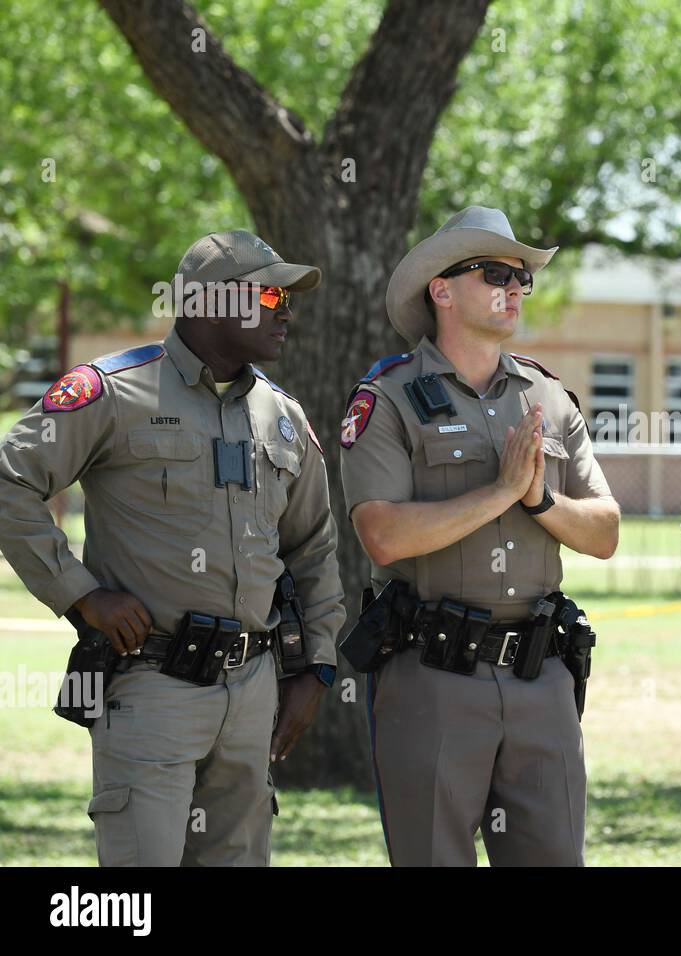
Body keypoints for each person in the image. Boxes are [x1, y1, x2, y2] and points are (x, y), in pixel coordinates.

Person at [0, 230, 345, 865]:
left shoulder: (284, 417)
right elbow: (10, 480)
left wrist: (316, 668)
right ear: (211, 302)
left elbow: (314, 550)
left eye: (288, 296)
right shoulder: (113, 392)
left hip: (254, 695)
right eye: (270, 292)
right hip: (151, 687)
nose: (286, 309)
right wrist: (82, 595)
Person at [340, 206, 620, 867]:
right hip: (433, 677)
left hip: (541, 675)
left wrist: (540, 498)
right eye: (497, 272)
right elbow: (381, 534)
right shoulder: (389, 397)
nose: (517, 286)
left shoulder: (548, 397)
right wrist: (497, 493)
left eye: (523, 275)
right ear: (441, 287)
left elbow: (604, 532)